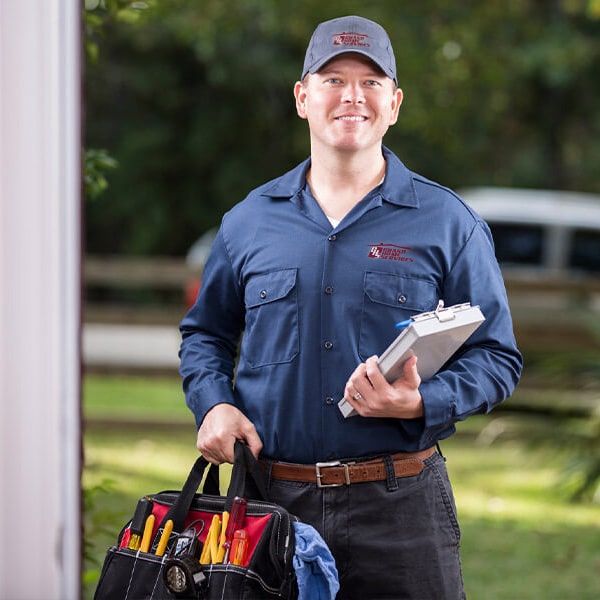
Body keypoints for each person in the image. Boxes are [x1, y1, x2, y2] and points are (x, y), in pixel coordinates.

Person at [179, 14, 522, 599]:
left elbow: (497, 358)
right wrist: (213, 405)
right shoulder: (248, 222)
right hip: (269, 506)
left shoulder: (448, 224)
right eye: (333, 79)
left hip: (402, 510)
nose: (352, 97)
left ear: (394, 103)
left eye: (370, 82)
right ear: (303, 97)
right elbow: (205, 335)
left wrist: (421, 401)